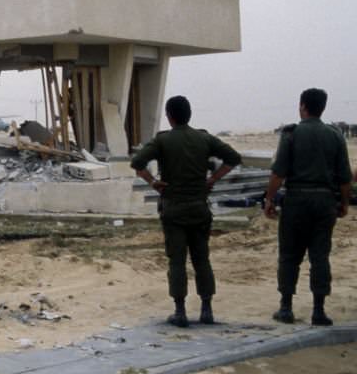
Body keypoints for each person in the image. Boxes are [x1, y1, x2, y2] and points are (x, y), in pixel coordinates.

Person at [131, 95, 241, 327]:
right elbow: (233, 158)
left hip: (174, 209)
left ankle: (180, 311)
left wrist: (153, 182)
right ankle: (206, 309)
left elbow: (138, 162)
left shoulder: (163, 141)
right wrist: (213, 179)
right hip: (200, 208)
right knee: (202, 259)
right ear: (188, 114)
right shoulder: (204, 138)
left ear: (169, 116)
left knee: (177, 261)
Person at [263, 88, 352, 326]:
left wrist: (269, 199)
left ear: (302, 106)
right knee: (320, 256)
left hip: (296, 201)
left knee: (290, 255)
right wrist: (343, 203)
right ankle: (319, 310)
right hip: (324, 202)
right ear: (322, 107)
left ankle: (286, 307)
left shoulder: (291, 134)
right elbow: (345, 177)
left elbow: (278, 173)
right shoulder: (335, 135)